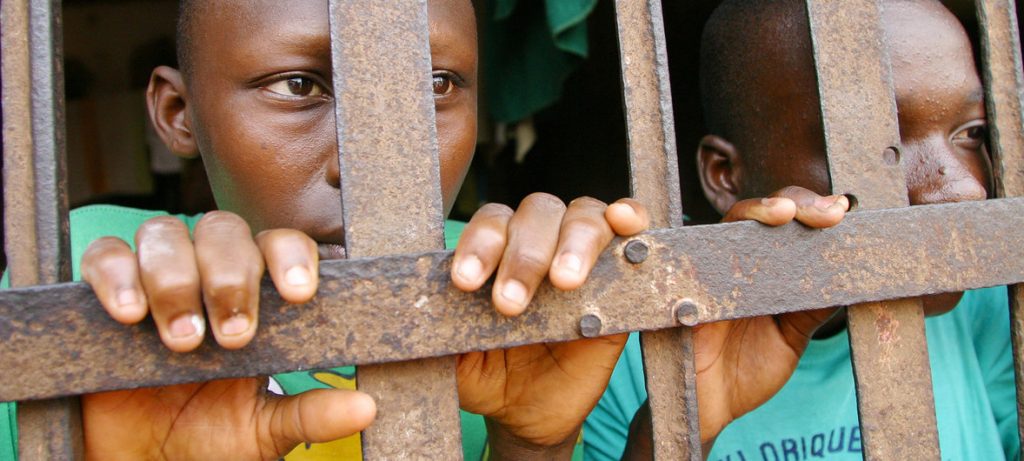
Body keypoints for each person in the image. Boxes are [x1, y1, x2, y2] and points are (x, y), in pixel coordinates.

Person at [0, 0, 847, 459]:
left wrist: (536, 443)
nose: (374, 158)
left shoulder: (517, 296)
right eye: (299, 86)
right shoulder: (91, 280)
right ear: (179, 113)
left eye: (436, 84)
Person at [584, 0, 1018, 459]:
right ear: (724, 174)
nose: (965, 189)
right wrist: (677, 427)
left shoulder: (990, 306)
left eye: (971, 133)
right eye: (876, 142)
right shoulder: (621, 348)